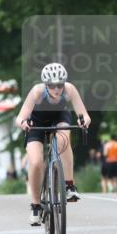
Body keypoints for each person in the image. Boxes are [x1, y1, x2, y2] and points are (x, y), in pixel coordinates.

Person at [15, 62, 91, 225]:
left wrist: (83, 121)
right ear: (45, 84)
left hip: (59, 117)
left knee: (64, 140)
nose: (56, 89)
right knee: (36, 162)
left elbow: (84, 115)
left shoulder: (70, 89)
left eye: (60, 85)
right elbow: (20, 118)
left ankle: (69, 186)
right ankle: (36, 206)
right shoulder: (37, 92)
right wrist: (23, 124)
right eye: (52, 85)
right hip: (36, 123)